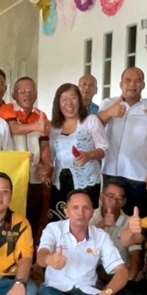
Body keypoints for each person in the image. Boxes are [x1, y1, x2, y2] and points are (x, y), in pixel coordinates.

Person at [35, 191, 134, 295]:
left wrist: (106, 294)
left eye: (86, 208)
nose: (81, 213)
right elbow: (40, 256)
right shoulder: (53, 229)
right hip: (57, 290)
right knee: (46, 294)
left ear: (92, 212)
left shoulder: (100, 236)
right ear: (66, 212)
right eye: (75, 208)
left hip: (87, 292)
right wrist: (50, 259)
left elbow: (122, 272)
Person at [98, 67, 147, 218]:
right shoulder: (108, 104)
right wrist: (110, 112)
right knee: (109, 216)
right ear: (121, 84)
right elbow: (95, 126)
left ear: (143, 85)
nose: (132, 85)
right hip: (110, 172)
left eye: (137, 81)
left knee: (137, 219)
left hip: (138, 175)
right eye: (127, 80)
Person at [0, 77, 52, 237]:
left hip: (34, 178)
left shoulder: (40, 114)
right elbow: (13, 128)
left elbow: (44, 145)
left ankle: (30, 256)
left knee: (33, 218)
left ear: (36, 94)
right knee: (9, 221)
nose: (26, 94)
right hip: (12, 177)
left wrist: (46, 166)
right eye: (21, 91)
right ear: (14, 95)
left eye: (30, 91)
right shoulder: (7, 109)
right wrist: (38, 126)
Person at [48, 83, 107, 219]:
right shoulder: (54, 127)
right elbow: (51, 155)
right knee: (60, 221)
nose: (69, 103)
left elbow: (103, 148)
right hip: (60, 182)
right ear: (58, 103)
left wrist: (89, 155)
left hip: (86, 182)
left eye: (73, 98)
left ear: (80, 101)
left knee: (84, 221)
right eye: (64, 99)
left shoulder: (90, 121)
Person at [91, 180, 140, 278]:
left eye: (119, 198)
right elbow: (78, 241)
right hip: (91, 274)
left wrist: (130, 277)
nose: (114, 201)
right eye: (110, 196)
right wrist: (102, 224)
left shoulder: (129, 222)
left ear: (124, 202)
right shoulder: (89, 216)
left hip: (118, 275)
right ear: (101, 197)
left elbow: (135, 253)